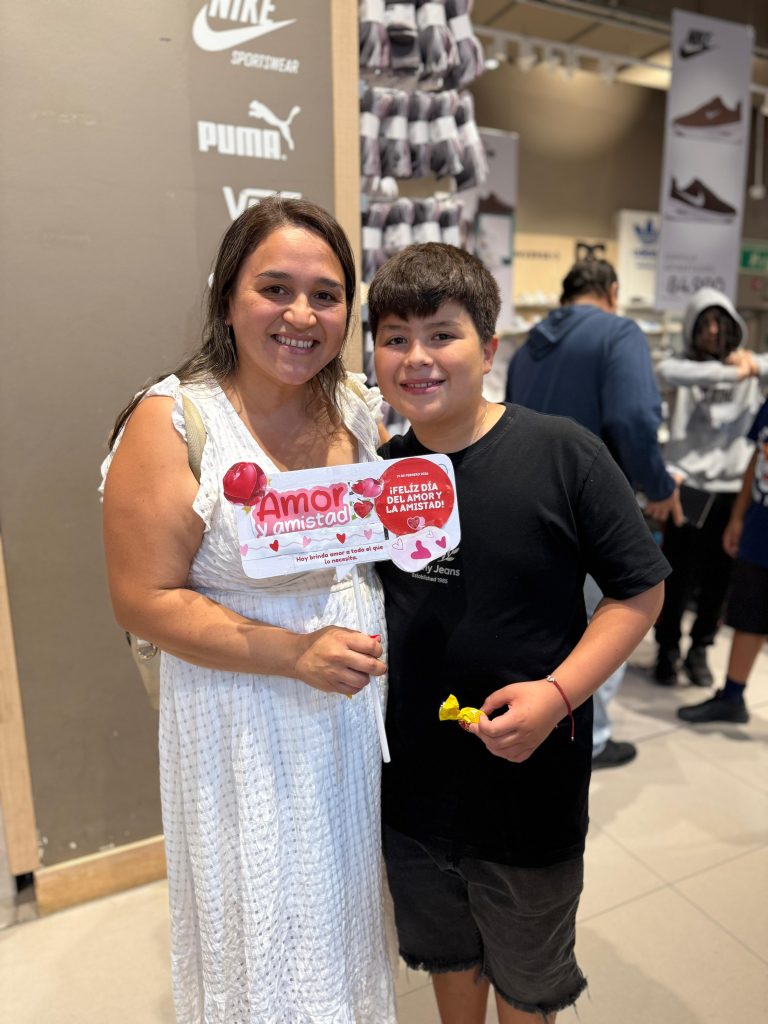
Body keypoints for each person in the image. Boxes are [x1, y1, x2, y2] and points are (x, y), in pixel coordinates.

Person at [101, 197, 397, 1023]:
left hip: (349, 715)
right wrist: (293, 654)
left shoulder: (357, 407)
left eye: (326, 295)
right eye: (275, 288)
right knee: (261, 929)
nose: (302, 314)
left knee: (342, 919)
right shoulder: (173, 421)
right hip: (241, 724)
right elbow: (143, 598)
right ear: (227, 298)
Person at [368, 243, 669, 1024]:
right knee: (446, 957)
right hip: (412, 792)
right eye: (395, 338)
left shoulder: (563, 453)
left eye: (442, 334)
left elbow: (640, 592)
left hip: (530, 794)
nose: (417, 358)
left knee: (528, 982)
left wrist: (559, 693)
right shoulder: (376, 476)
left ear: (489, 348)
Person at [505, 258, 680, 769]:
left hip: (526, 506)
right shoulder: (619, 334)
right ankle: (593, 736)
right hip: (594, 509)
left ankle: (537, 722)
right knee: (608, 619)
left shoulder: (528, 345)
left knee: (547, 626)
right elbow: (633, 417)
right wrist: (659, 485)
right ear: (612, 291)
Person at [652, 288, 768, 688]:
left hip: (733, 488)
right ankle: (667, 649)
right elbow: (668, 372)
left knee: (719, 579)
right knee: (675, 577)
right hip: (689, 485)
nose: (714, 331)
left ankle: (700, 649)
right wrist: (737, 372)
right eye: (705, 324)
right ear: (692, 328)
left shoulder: (750, 365)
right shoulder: (681, 366)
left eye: (721, 323)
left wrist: (750, 365)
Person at [678, 397, 768, 725]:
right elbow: (758, 457)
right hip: (759, 527)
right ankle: (732, 697)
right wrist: (738, 516)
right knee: (749, 616)